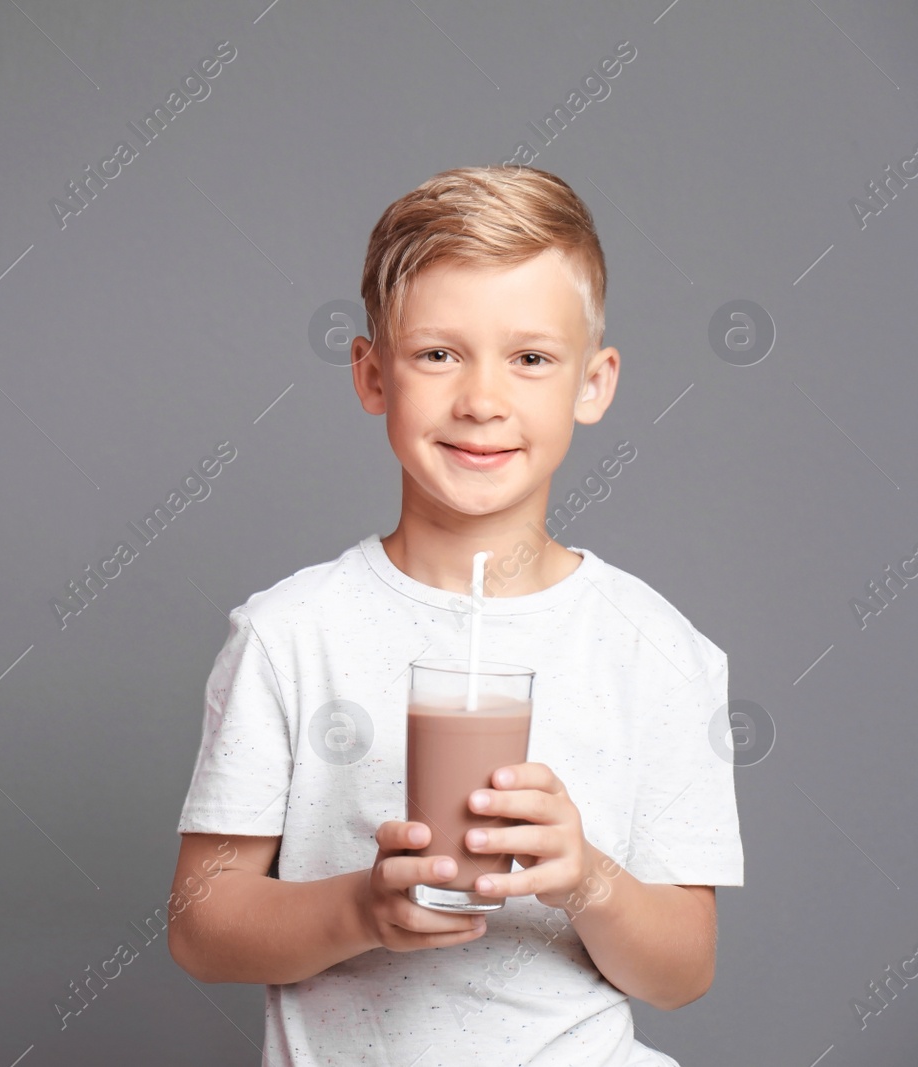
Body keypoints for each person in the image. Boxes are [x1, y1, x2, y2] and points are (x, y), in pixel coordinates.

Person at [167, 165, 744, 1066]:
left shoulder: (660, 653)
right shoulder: (290, 634)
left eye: (532, 358)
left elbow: (684, 968)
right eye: (438, 353)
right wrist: (362, 907)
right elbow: (203, 923)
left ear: (593, 384)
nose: (482, 399)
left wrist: (587, 876)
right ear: (371, 374)